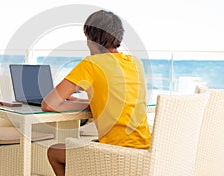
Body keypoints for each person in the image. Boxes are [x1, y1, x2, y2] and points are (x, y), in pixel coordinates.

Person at [41, 10, 151, 176]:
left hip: (115, 154)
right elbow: (117, 97)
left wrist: (67, 101)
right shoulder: (135, 62)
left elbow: (48, 104)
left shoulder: (91, 64)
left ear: (92, 39)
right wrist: (86, 101)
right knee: (91, 142)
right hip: (145, 152)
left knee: (54, 152)